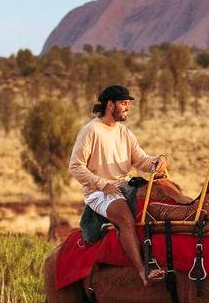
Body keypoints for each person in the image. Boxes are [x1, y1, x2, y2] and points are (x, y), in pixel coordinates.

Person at [68, 84, 168, 286]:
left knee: (161, 194)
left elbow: (141, 160)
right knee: (124, 216)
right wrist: (102, 184)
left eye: (128, 104)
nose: (127, 107)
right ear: (110, 104)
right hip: (98, 192)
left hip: (124, 185)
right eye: (123, 103)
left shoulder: (124, 132)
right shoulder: (91, 131)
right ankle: (143, 270)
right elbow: (75, 166)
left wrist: (157, 161)